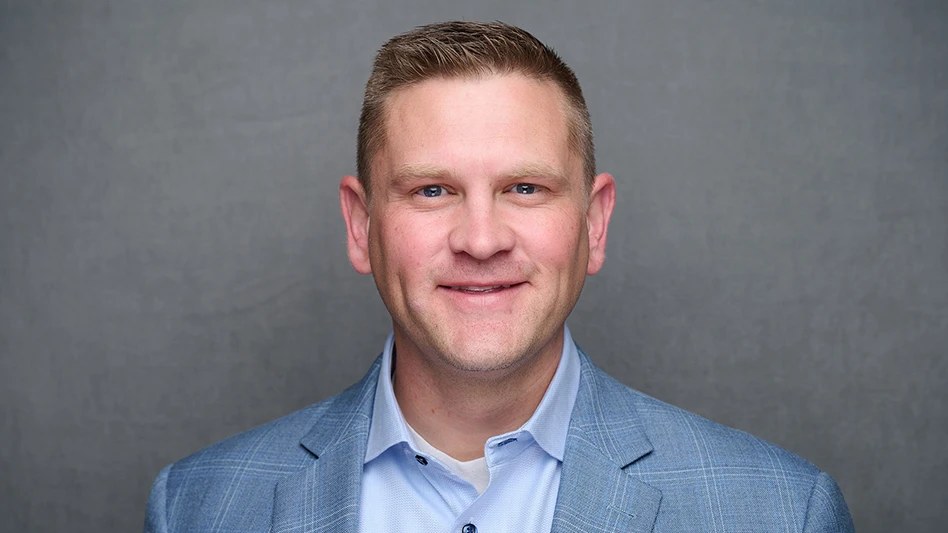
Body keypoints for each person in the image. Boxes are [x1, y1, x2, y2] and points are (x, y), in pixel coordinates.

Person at [144, 21, 854, 533]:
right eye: (432, 190)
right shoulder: (196, 509)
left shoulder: (780, 512)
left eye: (524, 188)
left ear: (594, 223)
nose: (480, 240)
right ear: (361, 226)